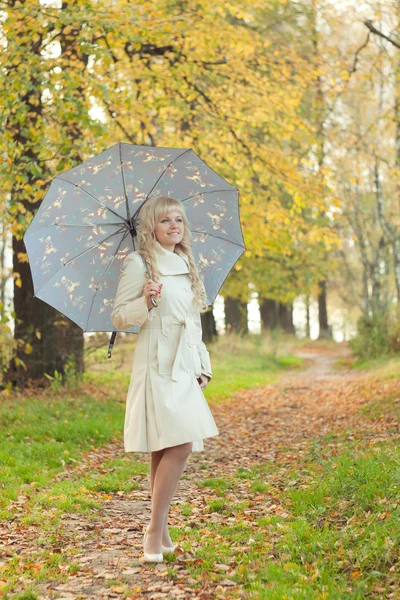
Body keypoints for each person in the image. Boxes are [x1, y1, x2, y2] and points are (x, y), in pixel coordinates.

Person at [111, 195, 219, 563]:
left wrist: (202, 363)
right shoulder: (140, 263)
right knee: (180, 444)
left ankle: (161, 529)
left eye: (179, 220)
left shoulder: (187, 264)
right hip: (156, 361)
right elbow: (120, 317)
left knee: (166, 445)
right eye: (165, 221)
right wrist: (146, 301)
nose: (174, 226)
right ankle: (153, 531)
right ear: (151, 227)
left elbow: (193, 320)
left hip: (184, 361)